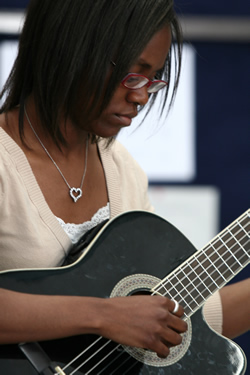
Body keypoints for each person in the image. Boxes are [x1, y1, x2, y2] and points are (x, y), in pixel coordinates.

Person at [0, 0, 249, 368]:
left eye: (154, 80)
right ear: (69, 50)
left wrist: (135, 319)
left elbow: (173, 320)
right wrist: (103, 315)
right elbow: (124, 318)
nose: (141, 96)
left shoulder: (123, 170)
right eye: (133, 76)